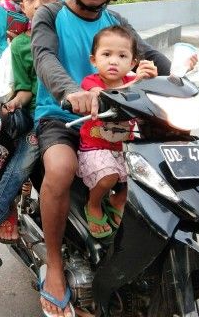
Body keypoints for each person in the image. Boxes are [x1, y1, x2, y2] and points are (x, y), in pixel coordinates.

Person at [31, 0, 173, 317]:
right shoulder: (51, 13)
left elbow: (153, 58)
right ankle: (56, 267)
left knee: (158, 162)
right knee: (60, 168)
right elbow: (44, 57)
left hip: (113, 115)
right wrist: (70, 91)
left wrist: (183, 83)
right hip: (62, 116)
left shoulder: (116, 20)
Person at [0, 0, 59, 273]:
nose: (38, 5)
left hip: (68, 118)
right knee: (22, 159)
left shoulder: (69, 35)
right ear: (22, 5)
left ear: (59, 2)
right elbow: (25, 89)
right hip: (39, 120)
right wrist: (12, 103)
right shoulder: (21, 46)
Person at [76, 26, 157, 239]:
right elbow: (105, 95)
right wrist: (136, 82)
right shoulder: (91, 82)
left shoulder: (134, 82)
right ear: (94, 60)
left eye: (122, 56)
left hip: (124, 147)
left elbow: (151, 95)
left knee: (146, 176)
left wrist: (151, 79)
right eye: (106, 54)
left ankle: (117, 200)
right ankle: (93, 204)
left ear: (132, 63)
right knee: (108, 177)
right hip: (95, 146)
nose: (114, 61)